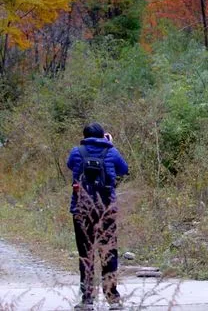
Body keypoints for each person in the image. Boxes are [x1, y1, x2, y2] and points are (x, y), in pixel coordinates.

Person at [67, 123, 129, 311]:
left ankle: (87, 300)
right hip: (106, 211)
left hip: (82, 211)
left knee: (86, 254)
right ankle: (113, 298)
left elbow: (70, 165)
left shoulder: (76, 151)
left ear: (84, 135)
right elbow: (123, 170)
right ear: (103, 136)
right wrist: (110, 144)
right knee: (108, 253)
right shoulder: (111, 152)